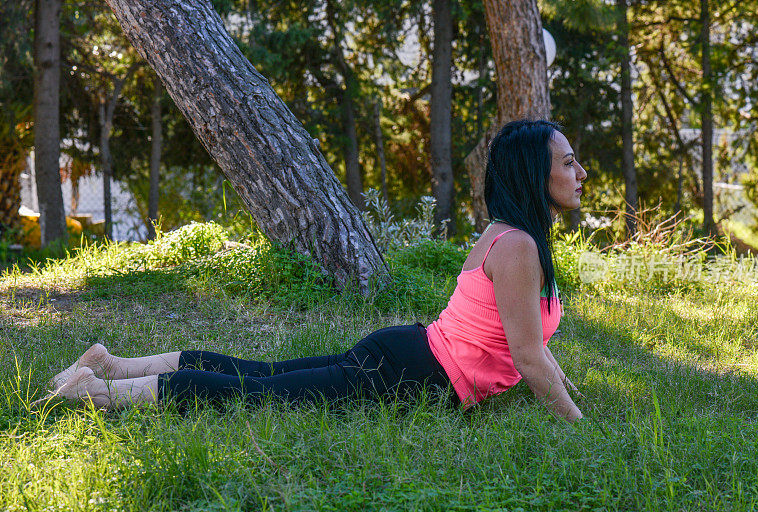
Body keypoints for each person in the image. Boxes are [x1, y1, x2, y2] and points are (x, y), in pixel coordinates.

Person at [40, 119, 588, 423]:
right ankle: (97, 392)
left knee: (265, 376)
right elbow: (527, 355)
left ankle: (110, 364)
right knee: (260, 394)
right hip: (413, 372)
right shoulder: (517, 247)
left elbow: (532, 347)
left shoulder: (512, 238)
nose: (580, 172)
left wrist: (569, 395)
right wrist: (578, 425)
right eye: (567, 162)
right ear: (533, 175)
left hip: (412, 354)